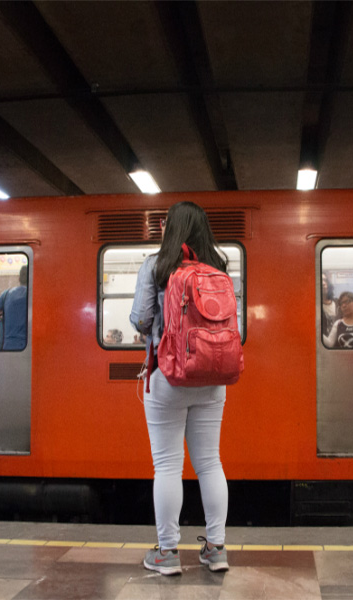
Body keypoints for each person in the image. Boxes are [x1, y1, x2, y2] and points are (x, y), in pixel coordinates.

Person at [130, 201, 230, 576]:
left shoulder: (155, 266)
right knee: (210, 462)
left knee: (168, 465)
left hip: (168, 376)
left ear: (168, 228)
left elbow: (142, 320)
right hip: (212, 378)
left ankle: (168, 554)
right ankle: (216, 550)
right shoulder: (218, 267)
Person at [0, 265, 28, 350]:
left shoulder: (6, 294)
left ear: (19, 279)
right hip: (29, 348)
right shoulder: (35, 296)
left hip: (8, 347)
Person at [321, 273, 339, 337]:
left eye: (325, 280)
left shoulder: (338, 303)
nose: (323, 283)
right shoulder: (314, 306)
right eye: (320, 280)